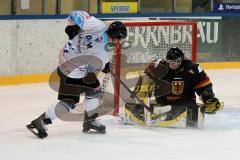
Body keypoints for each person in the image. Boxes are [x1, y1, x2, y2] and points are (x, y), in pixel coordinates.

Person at [27, 10, 127, 138]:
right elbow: (92, 71)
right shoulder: (102, 53)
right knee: (69, 102)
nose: (119, 43)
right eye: (119, 39)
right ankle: (41, 121)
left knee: (94, 89)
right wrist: (105, 67)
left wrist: (72, 26)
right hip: (71, 71)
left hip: (66, 56)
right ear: (115, 37)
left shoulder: (97, 25)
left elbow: (75, 14)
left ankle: (90, 120)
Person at [123, 47, 223, 127]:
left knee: (193, 116)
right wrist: (144, 88)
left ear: (181, 60)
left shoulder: (194, 69)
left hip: (185, 105)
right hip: (163, 104)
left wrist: (208, 97)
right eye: (169, 62)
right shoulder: (159, 66)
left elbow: (204, 85)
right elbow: (144, 75)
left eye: (174, 62)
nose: (172, 65)